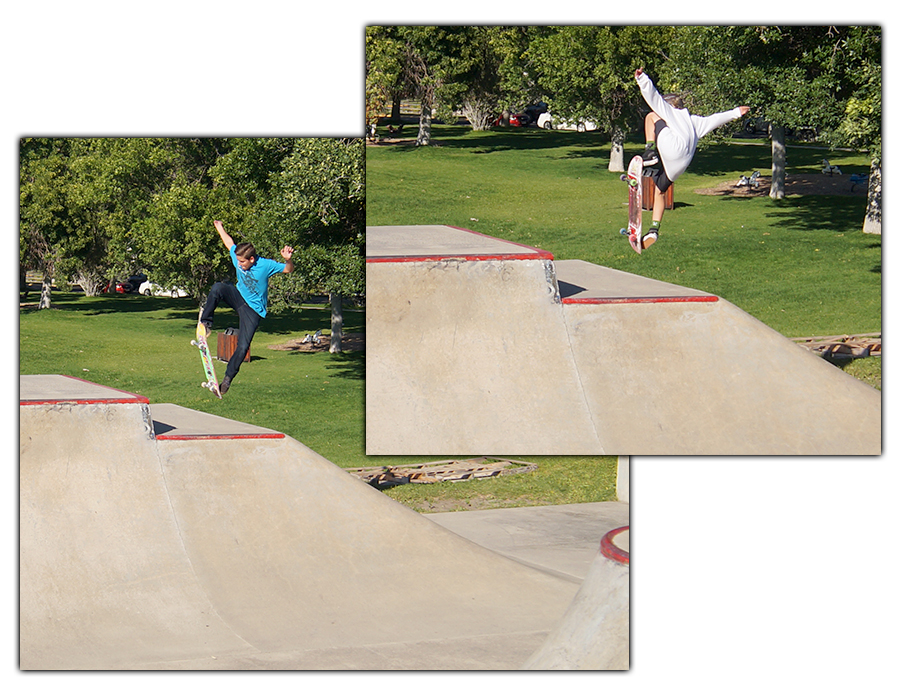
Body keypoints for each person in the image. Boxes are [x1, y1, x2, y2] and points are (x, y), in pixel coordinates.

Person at [634, 68, 750, 249]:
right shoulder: (695, 121)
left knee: (650, 116)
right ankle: (654, 230)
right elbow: (716, 119)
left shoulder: (670, 112)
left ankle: (649, 152)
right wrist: (736, 112)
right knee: (660, 191)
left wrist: (642, 79)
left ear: (671, 105)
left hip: (672, 149)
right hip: (681, 163)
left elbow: (653, 97)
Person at [199, 220, 294, 394]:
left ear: (252, 259)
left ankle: (227, 380)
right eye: (238, 261)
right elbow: (229, 243)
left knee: (243, 346)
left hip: (253, 310)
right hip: (238, 297)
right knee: (218, 288)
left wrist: (288, 260)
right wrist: (219, 227)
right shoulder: (238, 257)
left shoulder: (266, 265)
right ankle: (206, 323)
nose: (239, 265)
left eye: (242, 262)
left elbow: (288, 270)